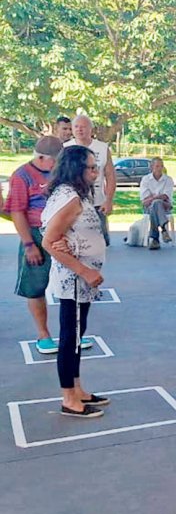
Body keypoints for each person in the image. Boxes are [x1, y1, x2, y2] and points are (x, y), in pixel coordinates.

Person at [41, 146, 109, 418]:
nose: (95, 172)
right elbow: (49, 240)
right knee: (70, 337)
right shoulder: (70, 199)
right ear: (75, 169)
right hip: (75, 281)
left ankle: (78, 388)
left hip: (81, 281)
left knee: (78, 335)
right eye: (91, 167)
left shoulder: (74, 193)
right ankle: (69, 397)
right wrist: (85, 270)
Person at [5, 137, 62, 354]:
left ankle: (72, 334)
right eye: (53, 162)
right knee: (35, 287)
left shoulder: (60, 172)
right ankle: (43, 335)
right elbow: (17, 212)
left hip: (62, 233)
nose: (56, 166)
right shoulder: (22, 176)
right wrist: (29, 244)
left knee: (71, 283)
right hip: (36, 235)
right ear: (39, 157)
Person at [64, 115, 115, 246]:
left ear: (91, 129)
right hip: (73, 202)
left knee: (101, 241)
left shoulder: (102, 148)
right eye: (76, 127)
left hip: (97, 202)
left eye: (83, 127)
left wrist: (108, 200)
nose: (79, 130)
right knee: (75, 241)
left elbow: (110, 176)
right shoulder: (65, 148)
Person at [139, 157, 174, 250]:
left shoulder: (168, 180)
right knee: (156, 203)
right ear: (151, 167)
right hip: (149, 206)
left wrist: (153, 197)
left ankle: (155, 238)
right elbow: (144, 200)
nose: (160, 168)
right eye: (157, 166)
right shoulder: (146, 179)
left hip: (165, 206)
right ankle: (163, 230)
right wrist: (157, 197)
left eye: (161, 166)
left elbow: (166, 196)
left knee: (156, 203)